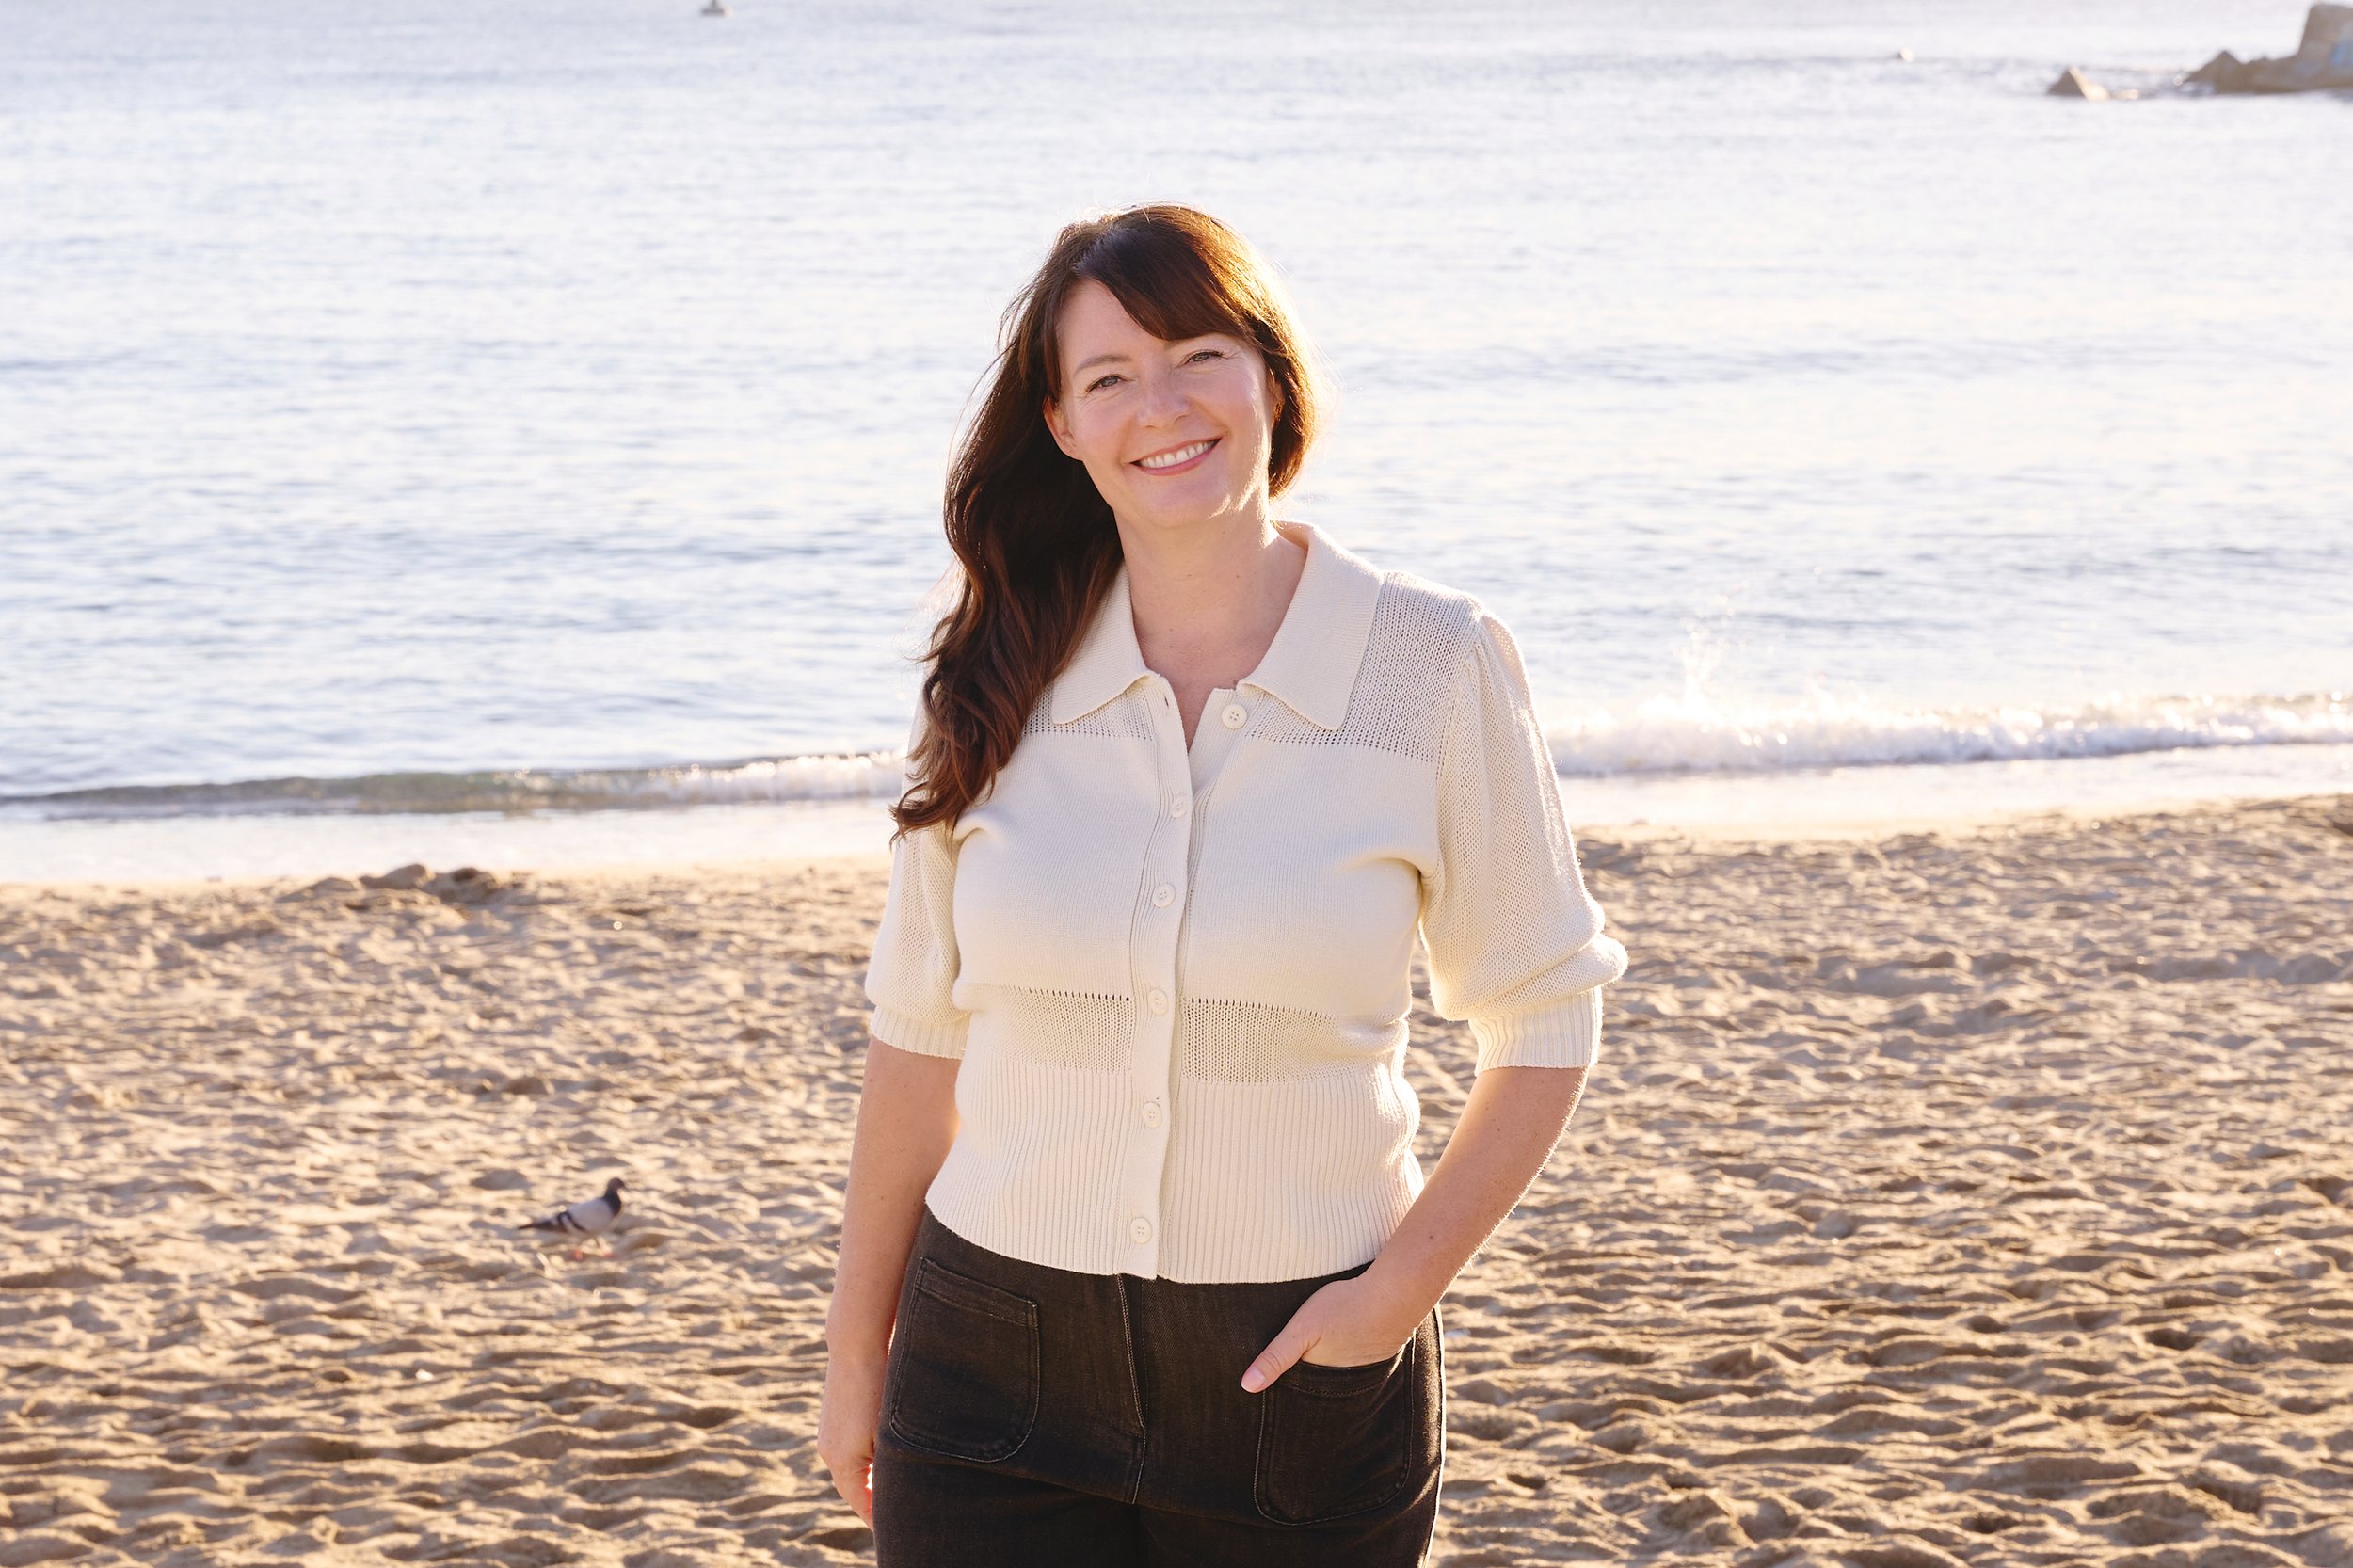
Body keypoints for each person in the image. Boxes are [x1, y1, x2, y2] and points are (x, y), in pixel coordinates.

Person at [816, 203, 1627, 1566]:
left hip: (1297, 1373)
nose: (1164, 405)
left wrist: (1393, 1296)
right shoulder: (997, 673)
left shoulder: (1430, 665)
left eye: (1199, 352)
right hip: (986, 1364)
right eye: (1109, 377)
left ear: (1271, 373)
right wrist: (855, 1353)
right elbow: (917, 1037)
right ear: (1063, 426)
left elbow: (1546, 1015)